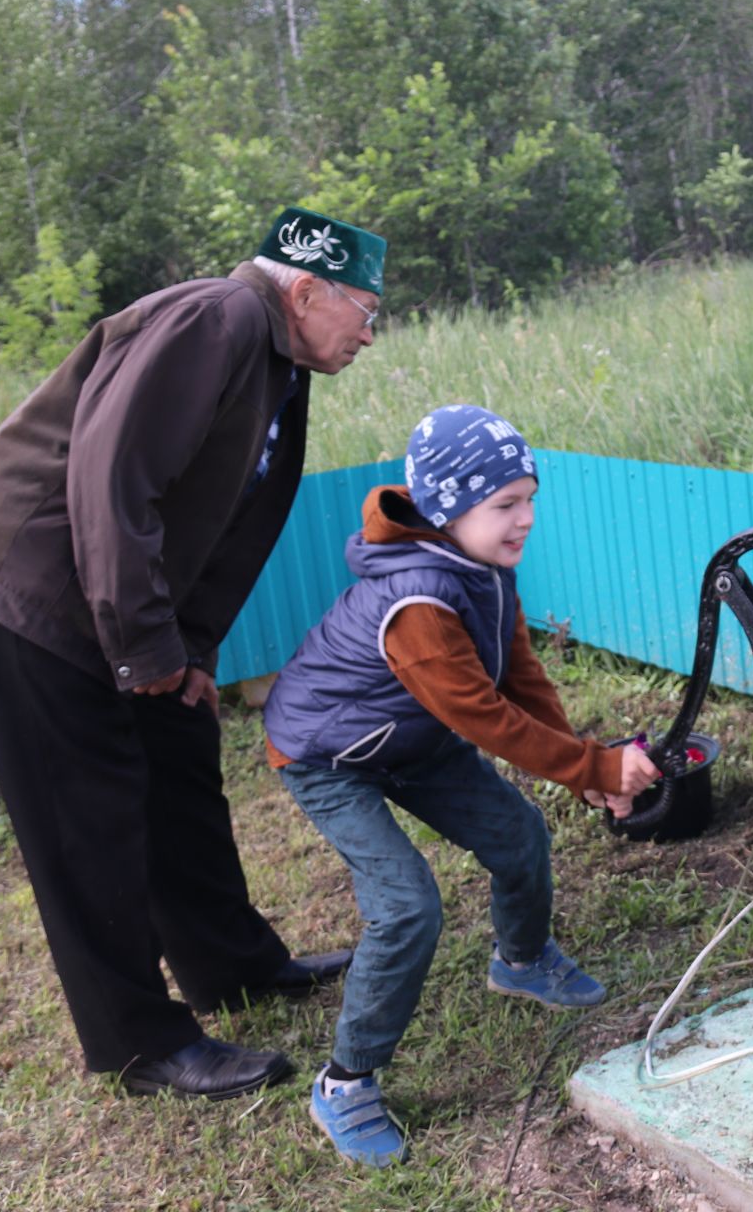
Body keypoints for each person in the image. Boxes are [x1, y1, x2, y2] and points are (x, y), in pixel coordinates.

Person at [0, 207, 388, 1101]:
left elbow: (223, 523)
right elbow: (111, 476)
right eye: (366, 309)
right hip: (28, 585)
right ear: (307, 288)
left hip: (109, 589)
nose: (371, 332)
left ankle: (233, 966)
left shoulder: (280, 362)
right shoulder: (220, 318)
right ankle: (139, 1040)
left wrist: (188, 652)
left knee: (178, 755)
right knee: (84, 812)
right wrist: (141, 648)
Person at [262, 403, 661, 1167]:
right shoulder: (417, 603)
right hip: (327, 751)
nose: (527, 520)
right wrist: (596, 767)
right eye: (505, 505)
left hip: (411, 735)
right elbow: (484, 717)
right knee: (407, 906)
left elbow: (519, 676)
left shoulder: (483, 571)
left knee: (517, 835)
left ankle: (521, 959)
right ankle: (345, 1083)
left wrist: (583, 766)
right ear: (448, 509)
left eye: (530, 499)